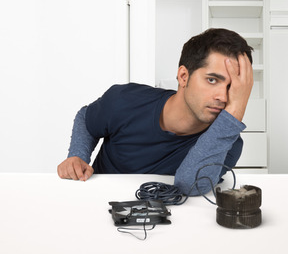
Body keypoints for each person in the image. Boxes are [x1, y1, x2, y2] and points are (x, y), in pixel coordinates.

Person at [57, 28, 254, 196]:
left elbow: (189, 185)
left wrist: (236, 110)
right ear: (184, 76)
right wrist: (77, 156)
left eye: (233, 88)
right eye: (212, 80)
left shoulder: (226, 142)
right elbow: (86, 117)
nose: (223, 97)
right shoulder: (125, 100)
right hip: (96, 200)